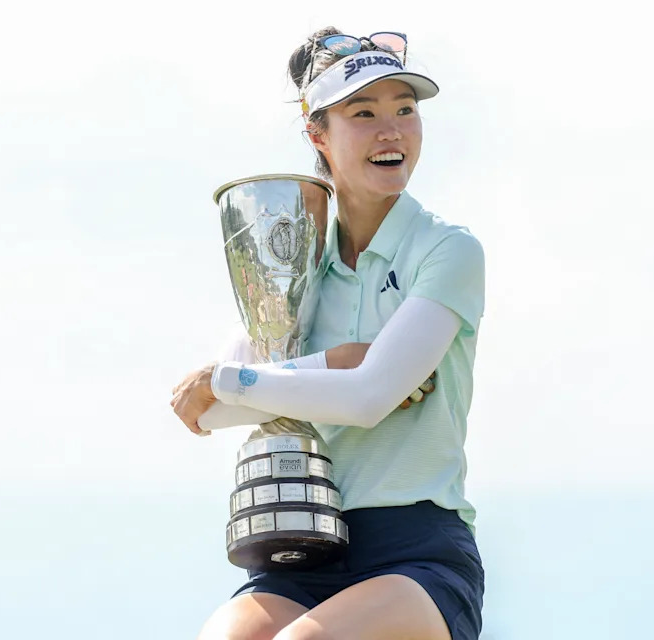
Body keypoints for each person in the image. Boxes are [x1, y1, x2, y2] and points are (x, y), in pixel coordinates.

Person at [171, 27, 486, 640]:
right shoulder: (297, 261)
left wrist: (239, 382)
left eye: (405, 110)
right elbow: (204, 412)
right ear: (319, 136)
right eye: (363, 113)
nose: (390, 130)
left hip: (413, 550)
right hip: (298, 542)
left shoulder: (447, 250)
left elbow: (366, 399)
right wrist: (331, 363)